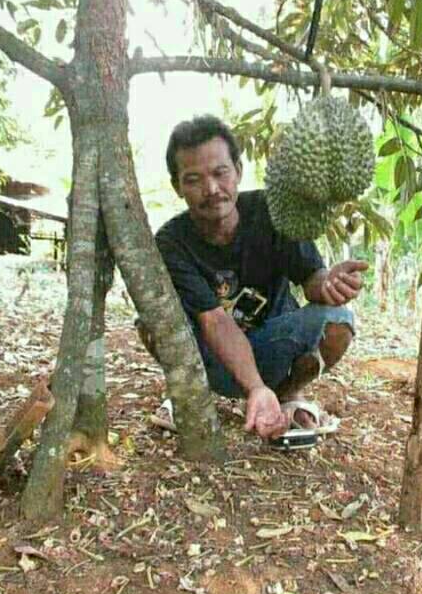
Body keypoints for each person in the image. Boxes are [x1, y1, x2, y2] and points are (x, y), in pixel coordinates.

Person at [149, 114, 367, 442]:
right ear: (177, 187)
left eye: (220, 173)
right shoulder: (171, 242)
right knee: (151, 323)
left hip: (271, 344)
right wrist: (254, 387)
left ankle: (286, 394)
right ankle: (189, 394)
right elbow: (214, 321)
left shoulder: (271, 211)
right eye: (193, 179)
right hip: (208, 358)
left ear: (238, 170)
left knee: (338, 320)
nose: (211, 189)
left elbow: (311, 277)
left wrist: (327, 285)